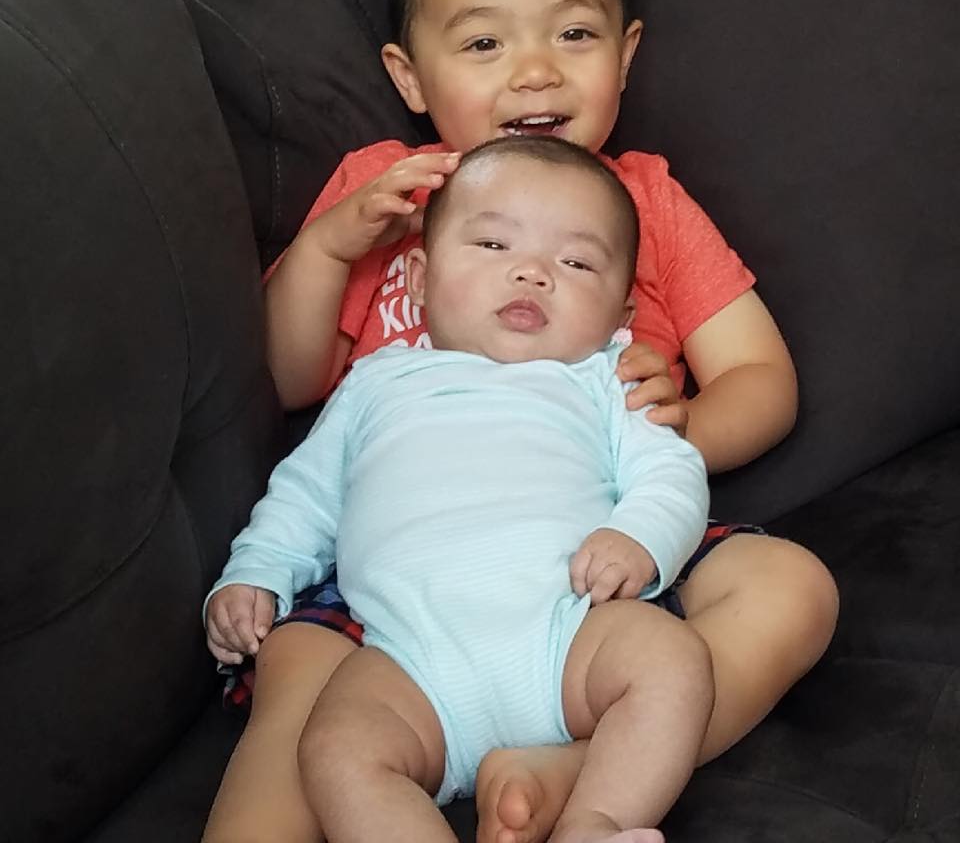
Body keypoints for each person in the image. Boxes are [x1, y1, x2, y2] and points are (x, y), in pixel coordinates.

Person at [201, 0, 839, 842]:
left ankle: (579, 772)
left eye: (573, 36)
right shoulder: (383, 196)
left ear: (625, 54)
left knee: (793, 591)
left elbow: (764, 381)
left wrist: (670, 432)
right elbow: (288, 385)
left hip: (604, 554)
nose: (534, 74)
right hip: (393, 583)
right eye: (484, 42)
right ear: (410, 75)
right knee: (302, 706)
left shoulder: (646, 200)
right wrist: (332, 248)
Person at [207, 135, 716, 843]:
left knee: (672, 661)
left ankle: (595, 822)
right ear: (417, 279)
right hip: (410, 659)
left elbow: (671, 471)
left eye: (575, 262)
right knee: (335, 747)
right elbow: (305, 496)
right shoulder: (376, 382)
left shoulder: (607, 376)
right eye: (492, 247)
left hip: (566, 632)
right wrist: (256, 573)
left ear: (621, 313)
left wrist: (640, 538)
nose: (534, 274)